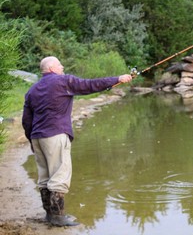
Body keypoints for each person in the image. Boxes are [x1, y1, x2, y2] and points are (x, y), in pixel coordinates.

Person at [22, 56, 132, 226]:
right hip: (56, 134)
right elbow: (90, 85)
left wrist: (31, 139)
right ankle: (58, 217)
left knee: (44, 177)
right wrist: (117, 79)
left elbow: (26, 120)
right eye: (60, 64)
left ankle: (50, 215)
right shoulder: (63, 81)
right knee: (59, 175)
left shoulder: (32, 90)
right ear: (51, 68)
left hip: (37, 137)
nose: (63, 66)